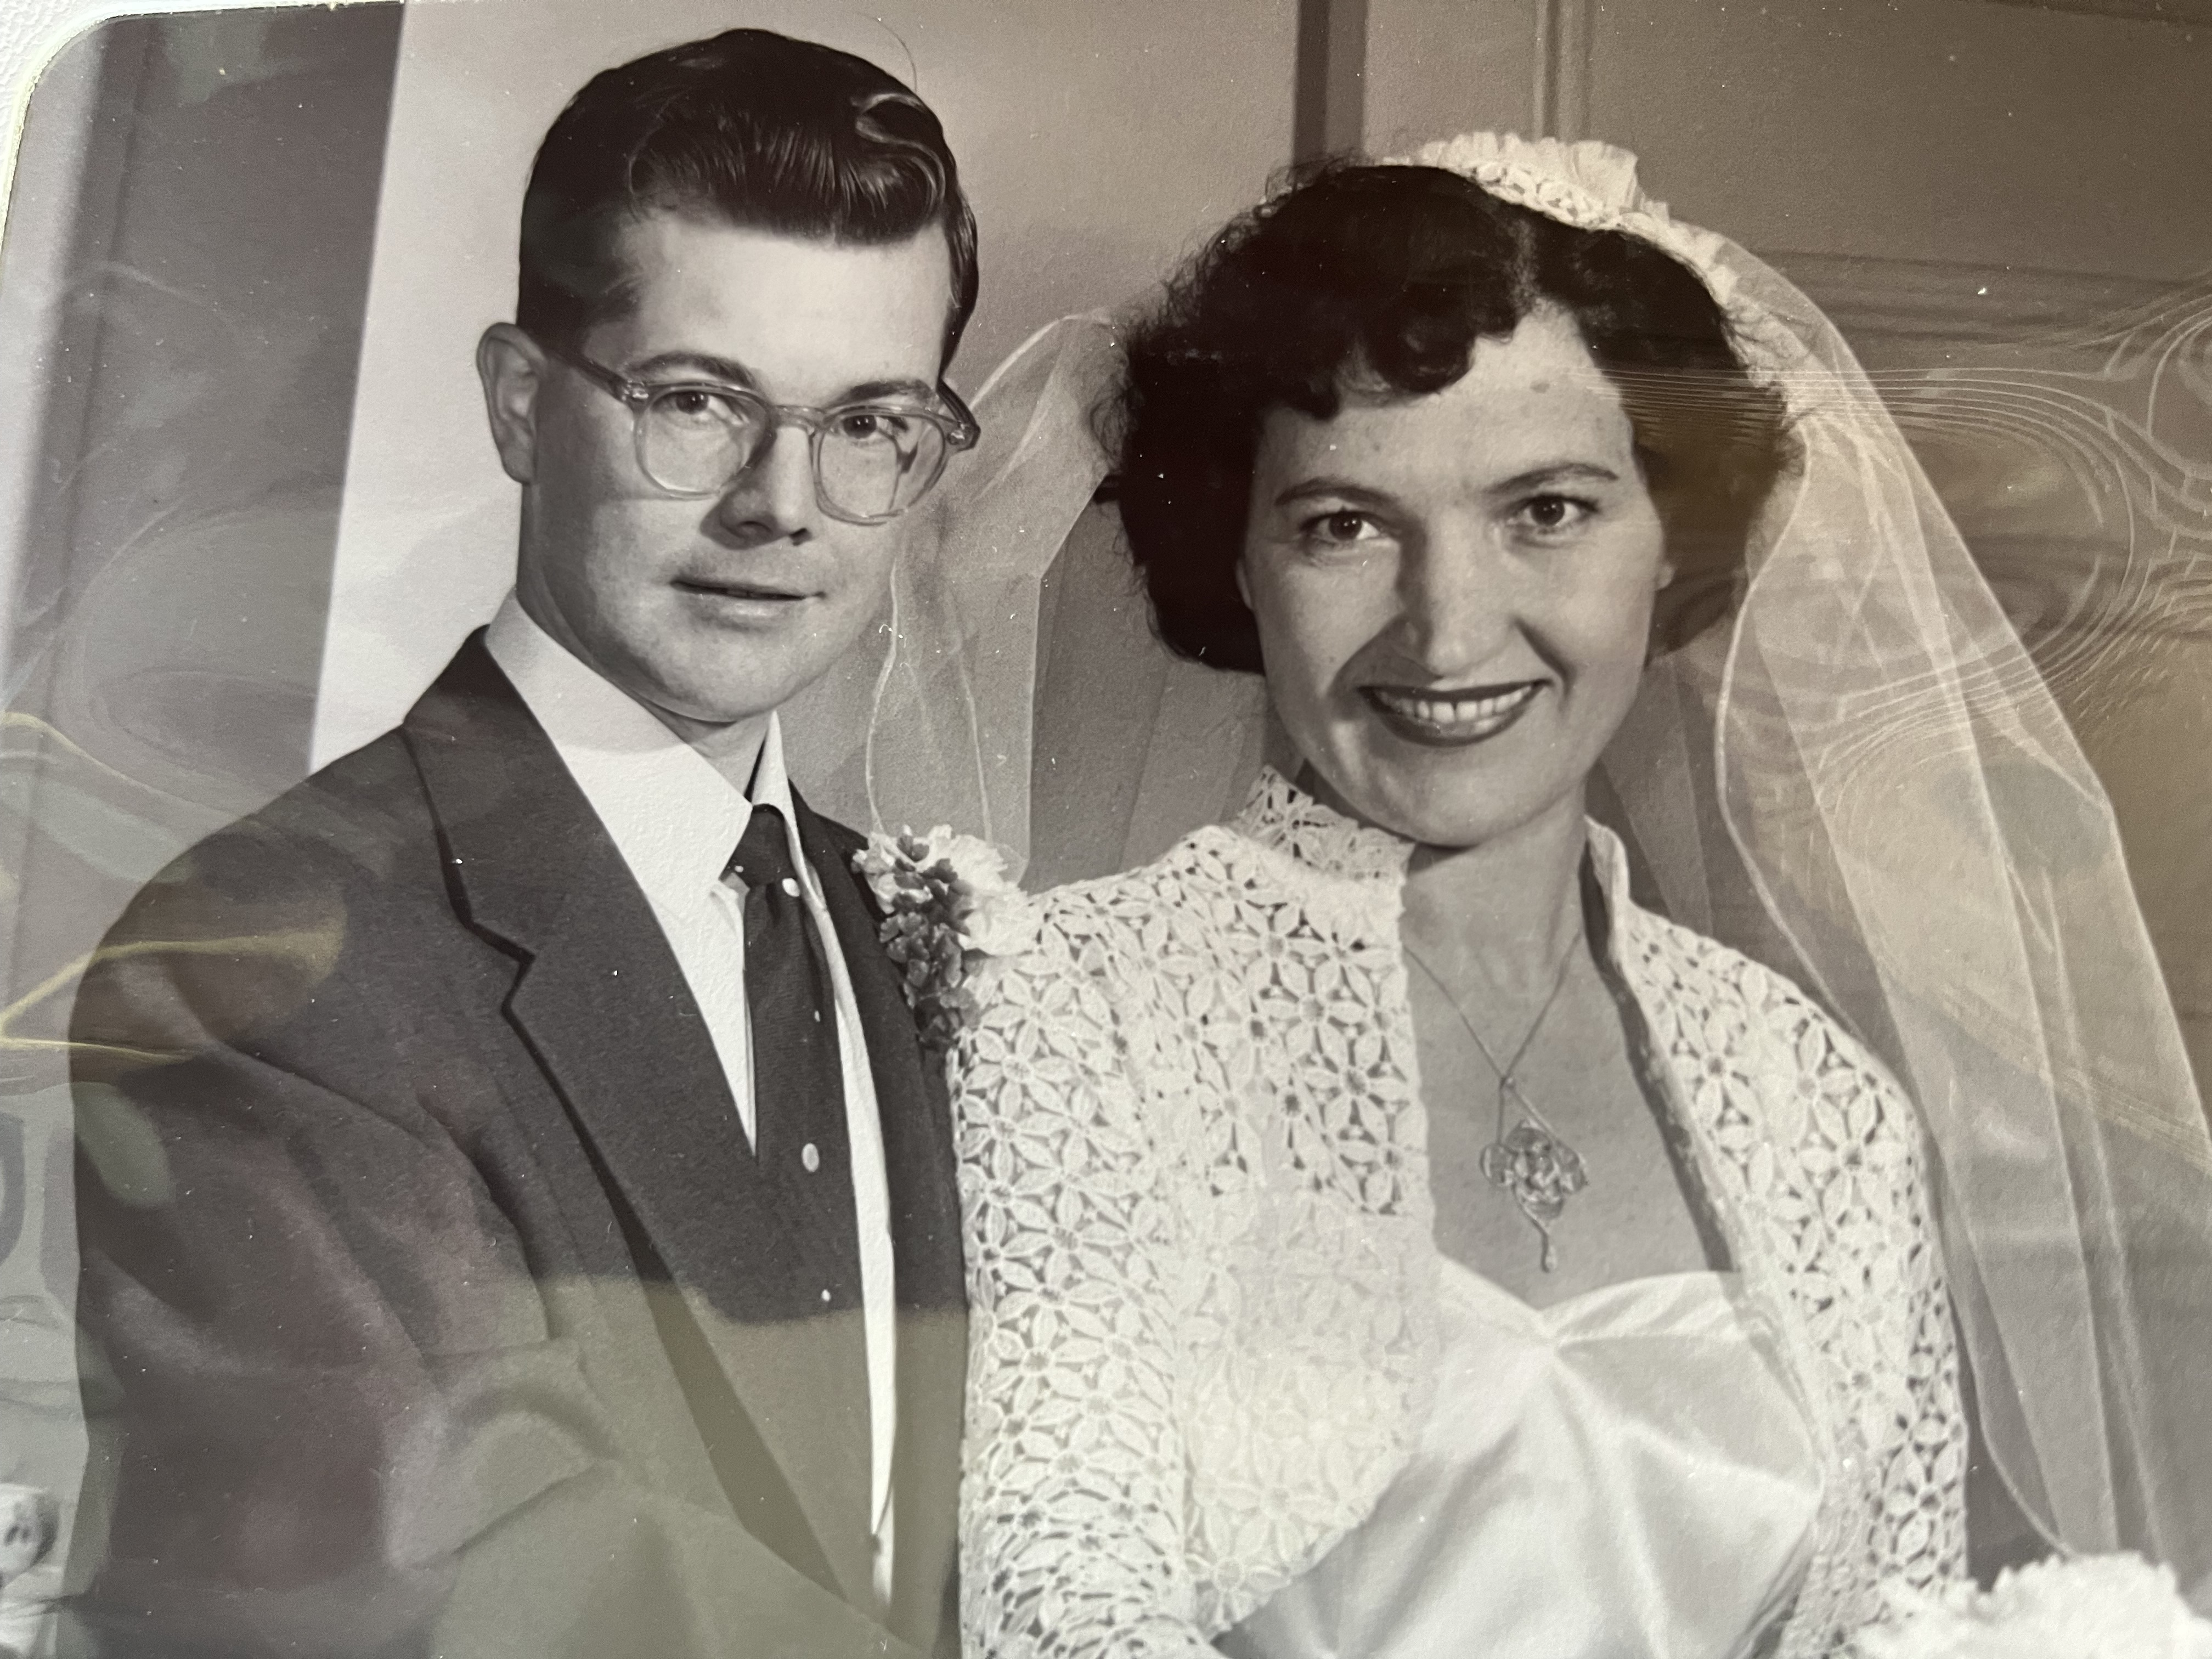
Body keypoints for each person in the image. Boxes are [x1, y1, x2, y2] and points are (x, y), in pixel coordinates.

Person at [948, 136, 2212, 1656]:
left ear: (1668, 540)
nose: (1448, 626)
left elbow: (1891, 1622)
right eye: (1345, 523)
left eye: (1546, 510)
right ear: (1240, 550)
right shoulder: (1063, 1014)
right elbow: (1055, 1607)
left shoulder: (1817, 1103)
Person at [67, 29, 980, 1658]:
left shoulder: (869, 914)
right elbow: (435, 1579)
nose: (786, 505)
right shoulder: (272, 938)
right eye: (698, 404)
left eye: (869, 426)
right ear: (516, 403)